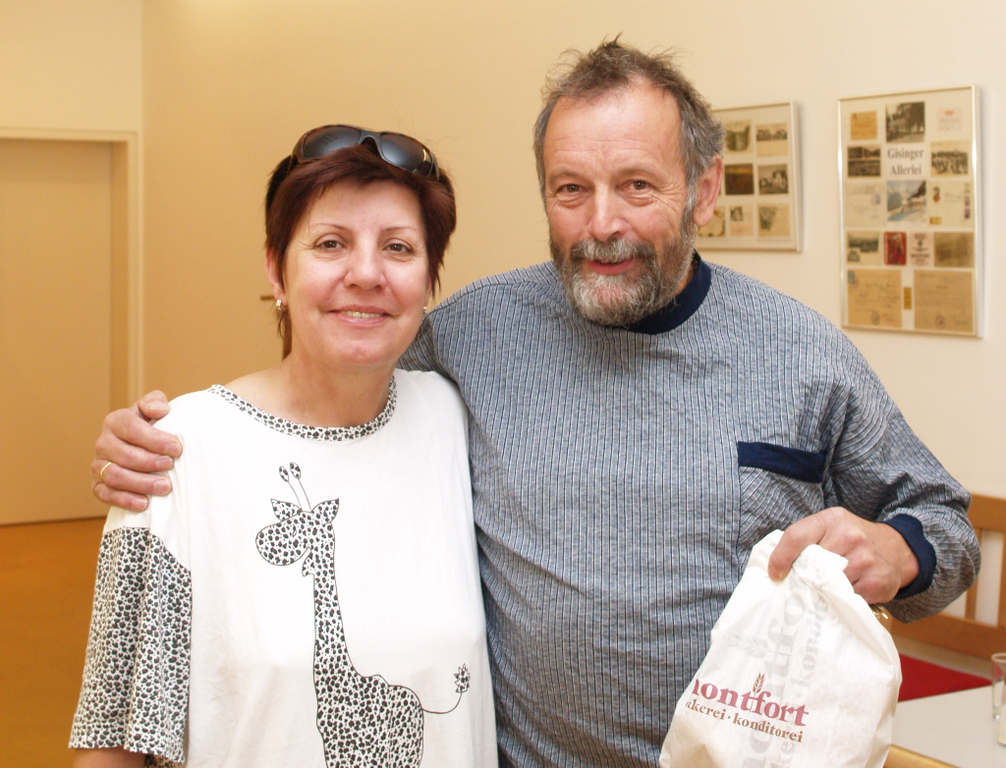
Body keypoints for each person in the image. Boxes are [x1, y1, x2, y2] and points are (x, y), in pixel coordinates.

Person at [90, 41, 980, 767]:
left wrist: (899, 549)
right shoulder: (472, 336)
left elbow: (944, 520)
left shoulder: (801, 353)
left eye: (638, 185)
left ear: (705, 191)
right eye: (571, 189)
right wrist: (170, 440)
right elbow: (338, 377)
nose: (602, 224)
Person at [71, 127, 497, 767]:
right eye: (330, 244)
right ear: (276, 269)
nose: (366, 273)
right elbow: (113, 742)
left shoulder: (454, 420)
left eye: (398, 247)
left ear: (429, 278)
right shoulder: (174, 454)